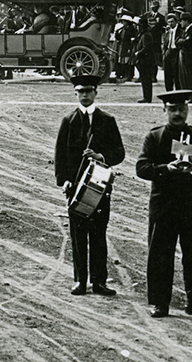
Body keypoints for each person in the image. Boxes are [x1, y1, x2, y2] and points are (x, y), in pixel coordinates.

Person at [55, 74, 125, 296]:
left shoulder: (108, 120)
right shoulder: (68, 121)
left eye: (89, 91)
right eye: (81, 92)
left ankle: (99, 282)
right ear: (75, 93)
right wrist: (64, 180)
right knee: (78, 236)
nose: (85, 95)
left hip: (100, 186)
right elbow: (60, 156)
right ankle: (80, 281)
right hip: (75, 187)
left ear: (96, 92)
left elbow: (119, 153)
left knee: (98, 234)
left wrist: (101, 156)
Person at [136, 89, 192, 318]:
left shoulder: (191, 135)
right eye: (172, 109)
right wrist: (165, 169)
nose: (178, 114)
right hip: (164, 205)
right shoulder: (155, 137)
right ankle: (159, 302)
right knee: (160, 254)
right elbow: (141, 168)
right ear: (164, 110)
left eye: (182, 109)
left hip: (189, 206)